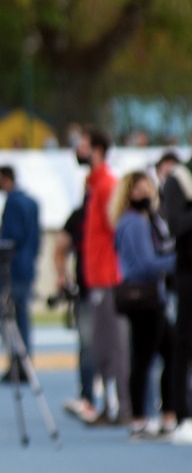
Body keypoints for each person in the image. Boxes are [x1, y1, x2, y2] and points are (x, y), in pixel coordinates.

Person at [111, 171, 177, 438]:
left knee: (162, 352)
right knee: (147, 357)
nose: (146, 194)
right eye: (138, 190)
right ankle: (142, 417)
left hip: (144, 296)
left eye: (148, 188)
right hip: (145, 297)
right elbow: (146, 265)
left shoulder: (137, 221)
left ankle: (161, 414)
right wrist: (178, 259)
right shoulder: (135, 224)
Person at [77, 127, 130, 425]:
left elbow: (116, 230)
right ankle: (111, 405)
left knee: (112, 346)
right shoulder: (95, 185)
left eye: (82, 146)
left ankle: (120, 407)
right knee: (101, 346)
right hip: (97, 276)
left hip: (108, 277)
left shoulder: (107, 185)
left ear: (96, 150)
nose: (78, 151)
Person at [0, 165, 41, 383]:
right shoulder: (31, 202)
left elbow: (12, 238)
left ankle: (16, 362)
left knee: (5, 315)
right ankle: (24, 362)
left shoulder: (13, 202)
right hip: (27, 266)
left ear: (5, 178)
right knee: (22, 317)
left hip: (11, 268)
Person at [157, 152, 192, 444]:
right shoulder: (177, 181)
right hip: (188, 272)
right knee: (184, 342)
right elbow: (177, 226)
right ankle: (183, 412)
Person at [54, 199, 97, 422]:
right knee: (88, 346)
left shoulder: (114, 213)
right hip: (86, 289)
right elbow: (60, 245)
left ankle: (115, 399)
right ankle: (88, 396)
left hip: (108, 288)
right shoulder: (80, 215)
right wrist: (62, 276)